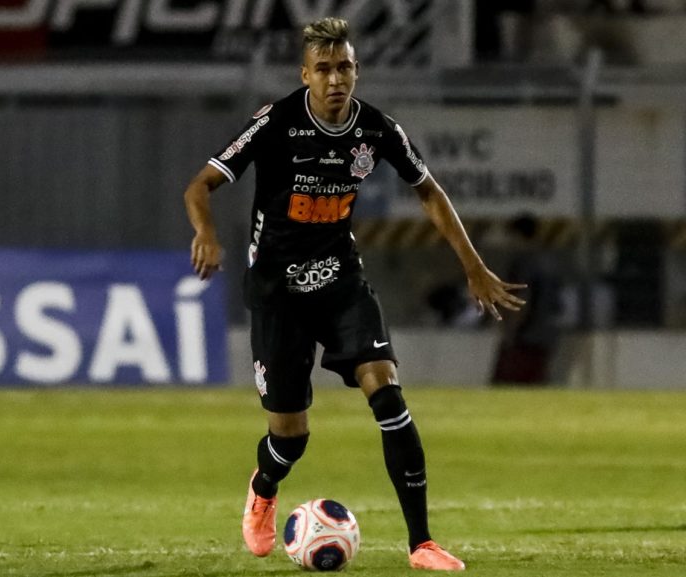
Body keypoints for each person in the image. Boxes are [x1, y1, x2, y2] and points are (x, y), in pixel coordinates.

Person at [182, 18, 526, 571]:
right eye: (324, 69)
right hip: (277, 291)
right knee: (290, 436)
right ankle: (265, 487)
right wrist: (206, 232)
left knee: (387, 394)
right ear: (306, 75)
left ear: (356, 71)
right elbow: (200, 185)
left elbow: (430, 192)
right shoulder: (275, 123)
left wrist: (474, 266)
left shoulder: (377, 130)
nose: (336, 78)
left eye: (344, 67)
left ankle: (422, 544)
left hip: (340, 278)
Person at [491, 215, 566, 384]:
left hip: (525, 335)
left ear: (518, 235)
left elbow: (523, 299)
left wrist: (510, 331)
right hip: (546, 333)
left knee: (509, 385)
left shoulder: (523, 262)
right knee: (535, 384)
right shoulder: (549, 261)